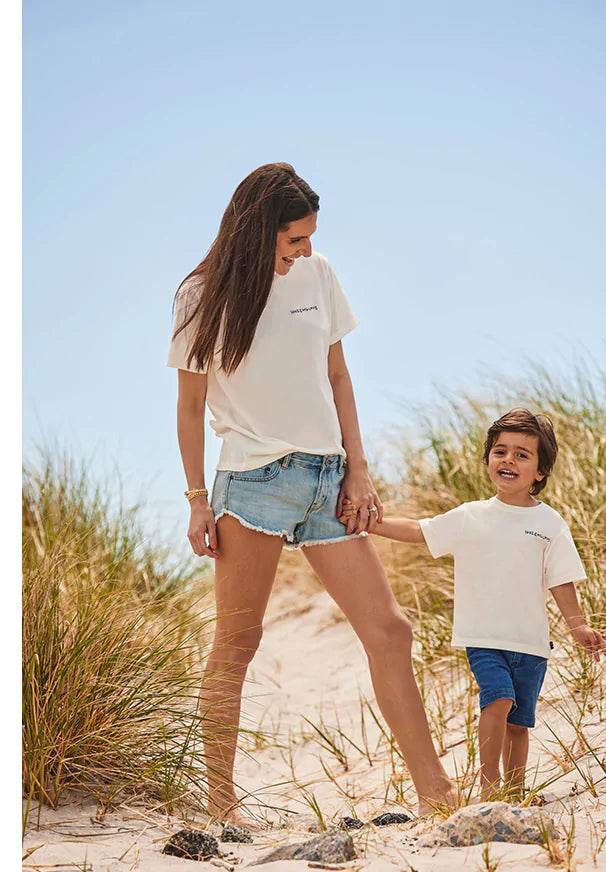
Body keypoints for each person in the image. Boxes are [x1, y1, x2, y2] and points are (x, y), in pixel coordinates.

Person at [167, 162, 454, 822]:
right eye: (293, 239)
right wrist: (196, 500)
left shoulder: (318, 274)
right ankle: (221, 803)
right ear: (257, 230)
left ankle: (436, 793)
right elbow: (189, 407)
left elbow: (338, 377)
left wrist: (359, 469)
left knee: (390, 631)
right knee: (237, 644)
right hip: (253, 484)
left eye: (308, 238)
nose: (303, 250)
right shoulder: (200, 295)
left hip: (328, 480)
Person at [340, 407, 606, 801]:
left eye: (522, 454)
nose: (508, 460)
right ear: (488, 460)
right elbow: (420, 530)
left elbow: (561, 578)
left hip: (532, 644)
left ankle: (514, 793)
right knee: (498, 700)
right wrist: (371, 522)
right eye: (500, 451)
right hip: (484, 639)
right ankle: (488, 785)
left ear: (540, 472)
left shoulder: (550, 524)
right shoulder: (471, 516)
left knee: (519, 723)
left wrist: (578, 625)